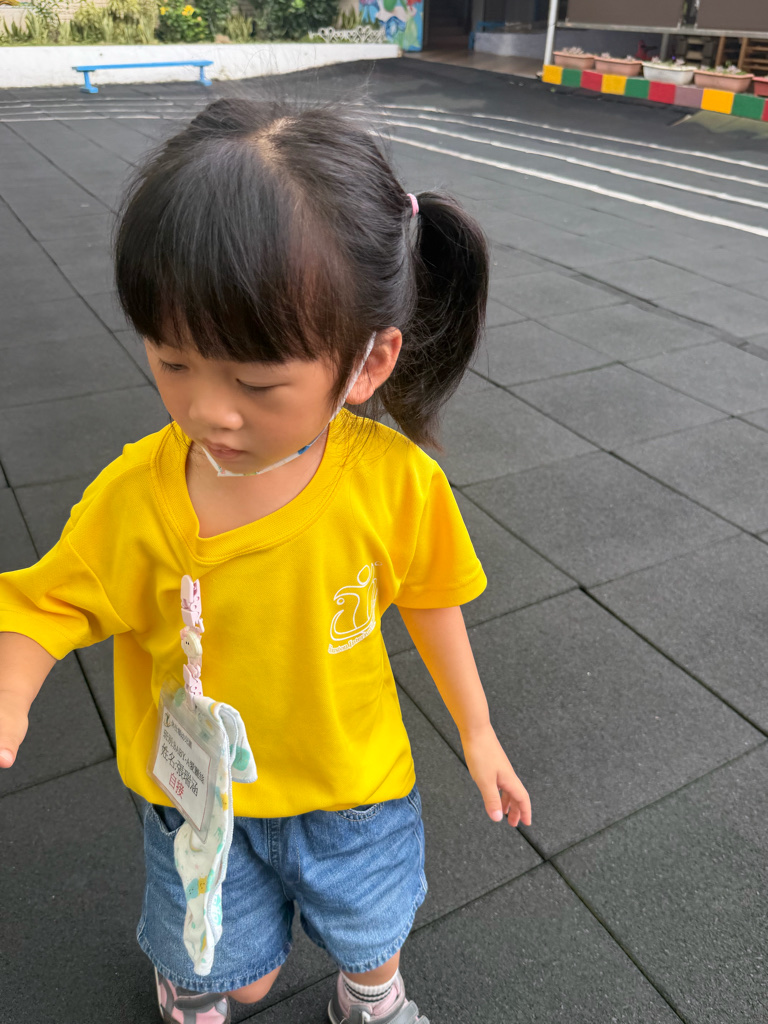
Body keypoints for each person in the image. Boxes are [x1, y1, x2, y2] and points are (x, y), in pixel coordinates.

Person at [0, 96, 532, 1024]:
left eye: (254, 382)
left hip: (352, 785)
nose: (208, 411)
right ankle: (193, 983)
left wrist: (477, 730)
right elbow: (47, 604)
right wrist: (12, 690)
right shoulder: (139, 495)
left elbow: (431, 597)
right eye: (172, 362)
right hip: (201, 800)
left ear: (367, 365)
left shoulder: (396, 483)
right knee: (232, 975)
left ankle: (372, 997)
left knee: (373, 930)